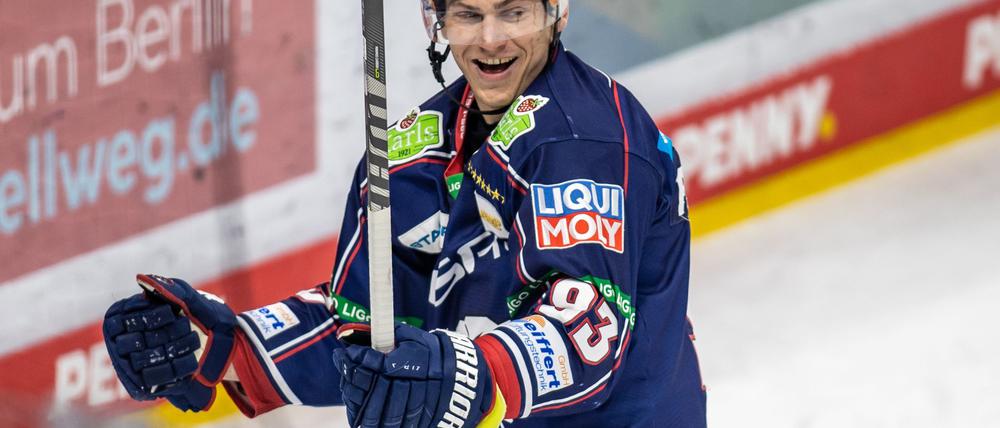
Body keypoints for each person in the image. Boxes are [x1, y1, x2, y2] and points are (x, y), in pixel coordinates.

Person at [101, 0, 707, 426]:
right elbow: (370, 325)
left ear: (556, 12)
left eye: (513, 11)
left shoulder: (587, 140)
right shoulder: (410, 157)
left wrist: (474, 373)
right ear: (436, 20)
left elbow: (590, 330)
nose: (490, 39)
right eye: (468, 14)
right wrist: (234, 348)